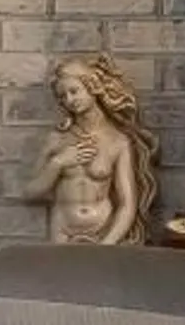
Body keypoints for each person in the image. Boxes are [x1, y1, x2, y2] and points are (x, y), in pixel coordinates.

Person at [37, 53, 160, 245]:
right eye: (62, 96)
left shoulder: (118, 142)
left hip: (104, 232)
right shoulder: (57, 139)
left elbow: (127, 204)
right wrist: (58, 163)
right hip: (62, 233)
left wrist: (107, 244)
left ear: (92, 87)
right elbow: (30, 191)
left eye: (74, 91)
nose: (69, 99)